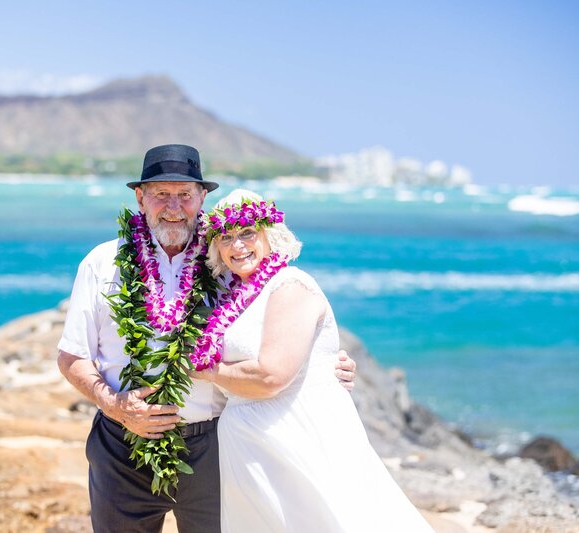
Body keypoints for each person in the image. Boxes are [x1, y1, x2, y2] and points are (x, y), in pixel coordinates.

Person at [56, 145, 357, 533]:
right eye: (162, 194)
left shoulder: (228, 259)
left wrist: (323, 365)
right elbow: (71, 356)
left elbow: (284, 314)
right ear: (140, 197)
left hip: (214, 447)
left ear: (202, 197)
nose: (174, 206)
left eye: (185, 194)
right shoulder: (101, 263)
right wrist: (114, 404)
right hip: (122, 447)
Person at [191, 189, 433, 532]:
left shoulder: (290, 284)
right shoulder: (236, 299)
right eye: (226, 237)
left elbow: (272, 377)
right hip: (251, 449)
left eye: (247, 232)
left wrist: (205, 369)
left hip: (297, 437)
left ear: (269, 235)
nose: (237, 245)